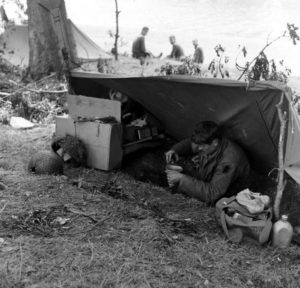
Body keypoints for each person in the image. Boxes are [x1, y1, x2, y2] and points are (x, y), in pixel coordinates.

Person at [165, 121, 250, 203]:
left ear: (215, 142)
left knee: (180, 177)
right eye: (198, 144)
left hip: (223, 195)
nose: (198, 148)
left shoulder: (229, 162)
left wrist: (182, 178)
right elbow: (191, 143)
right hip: (206, 178)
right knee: (175, 167)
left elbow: (212, 193)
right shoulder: (208, 142)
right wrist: (175, 150)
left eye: (201, 146)